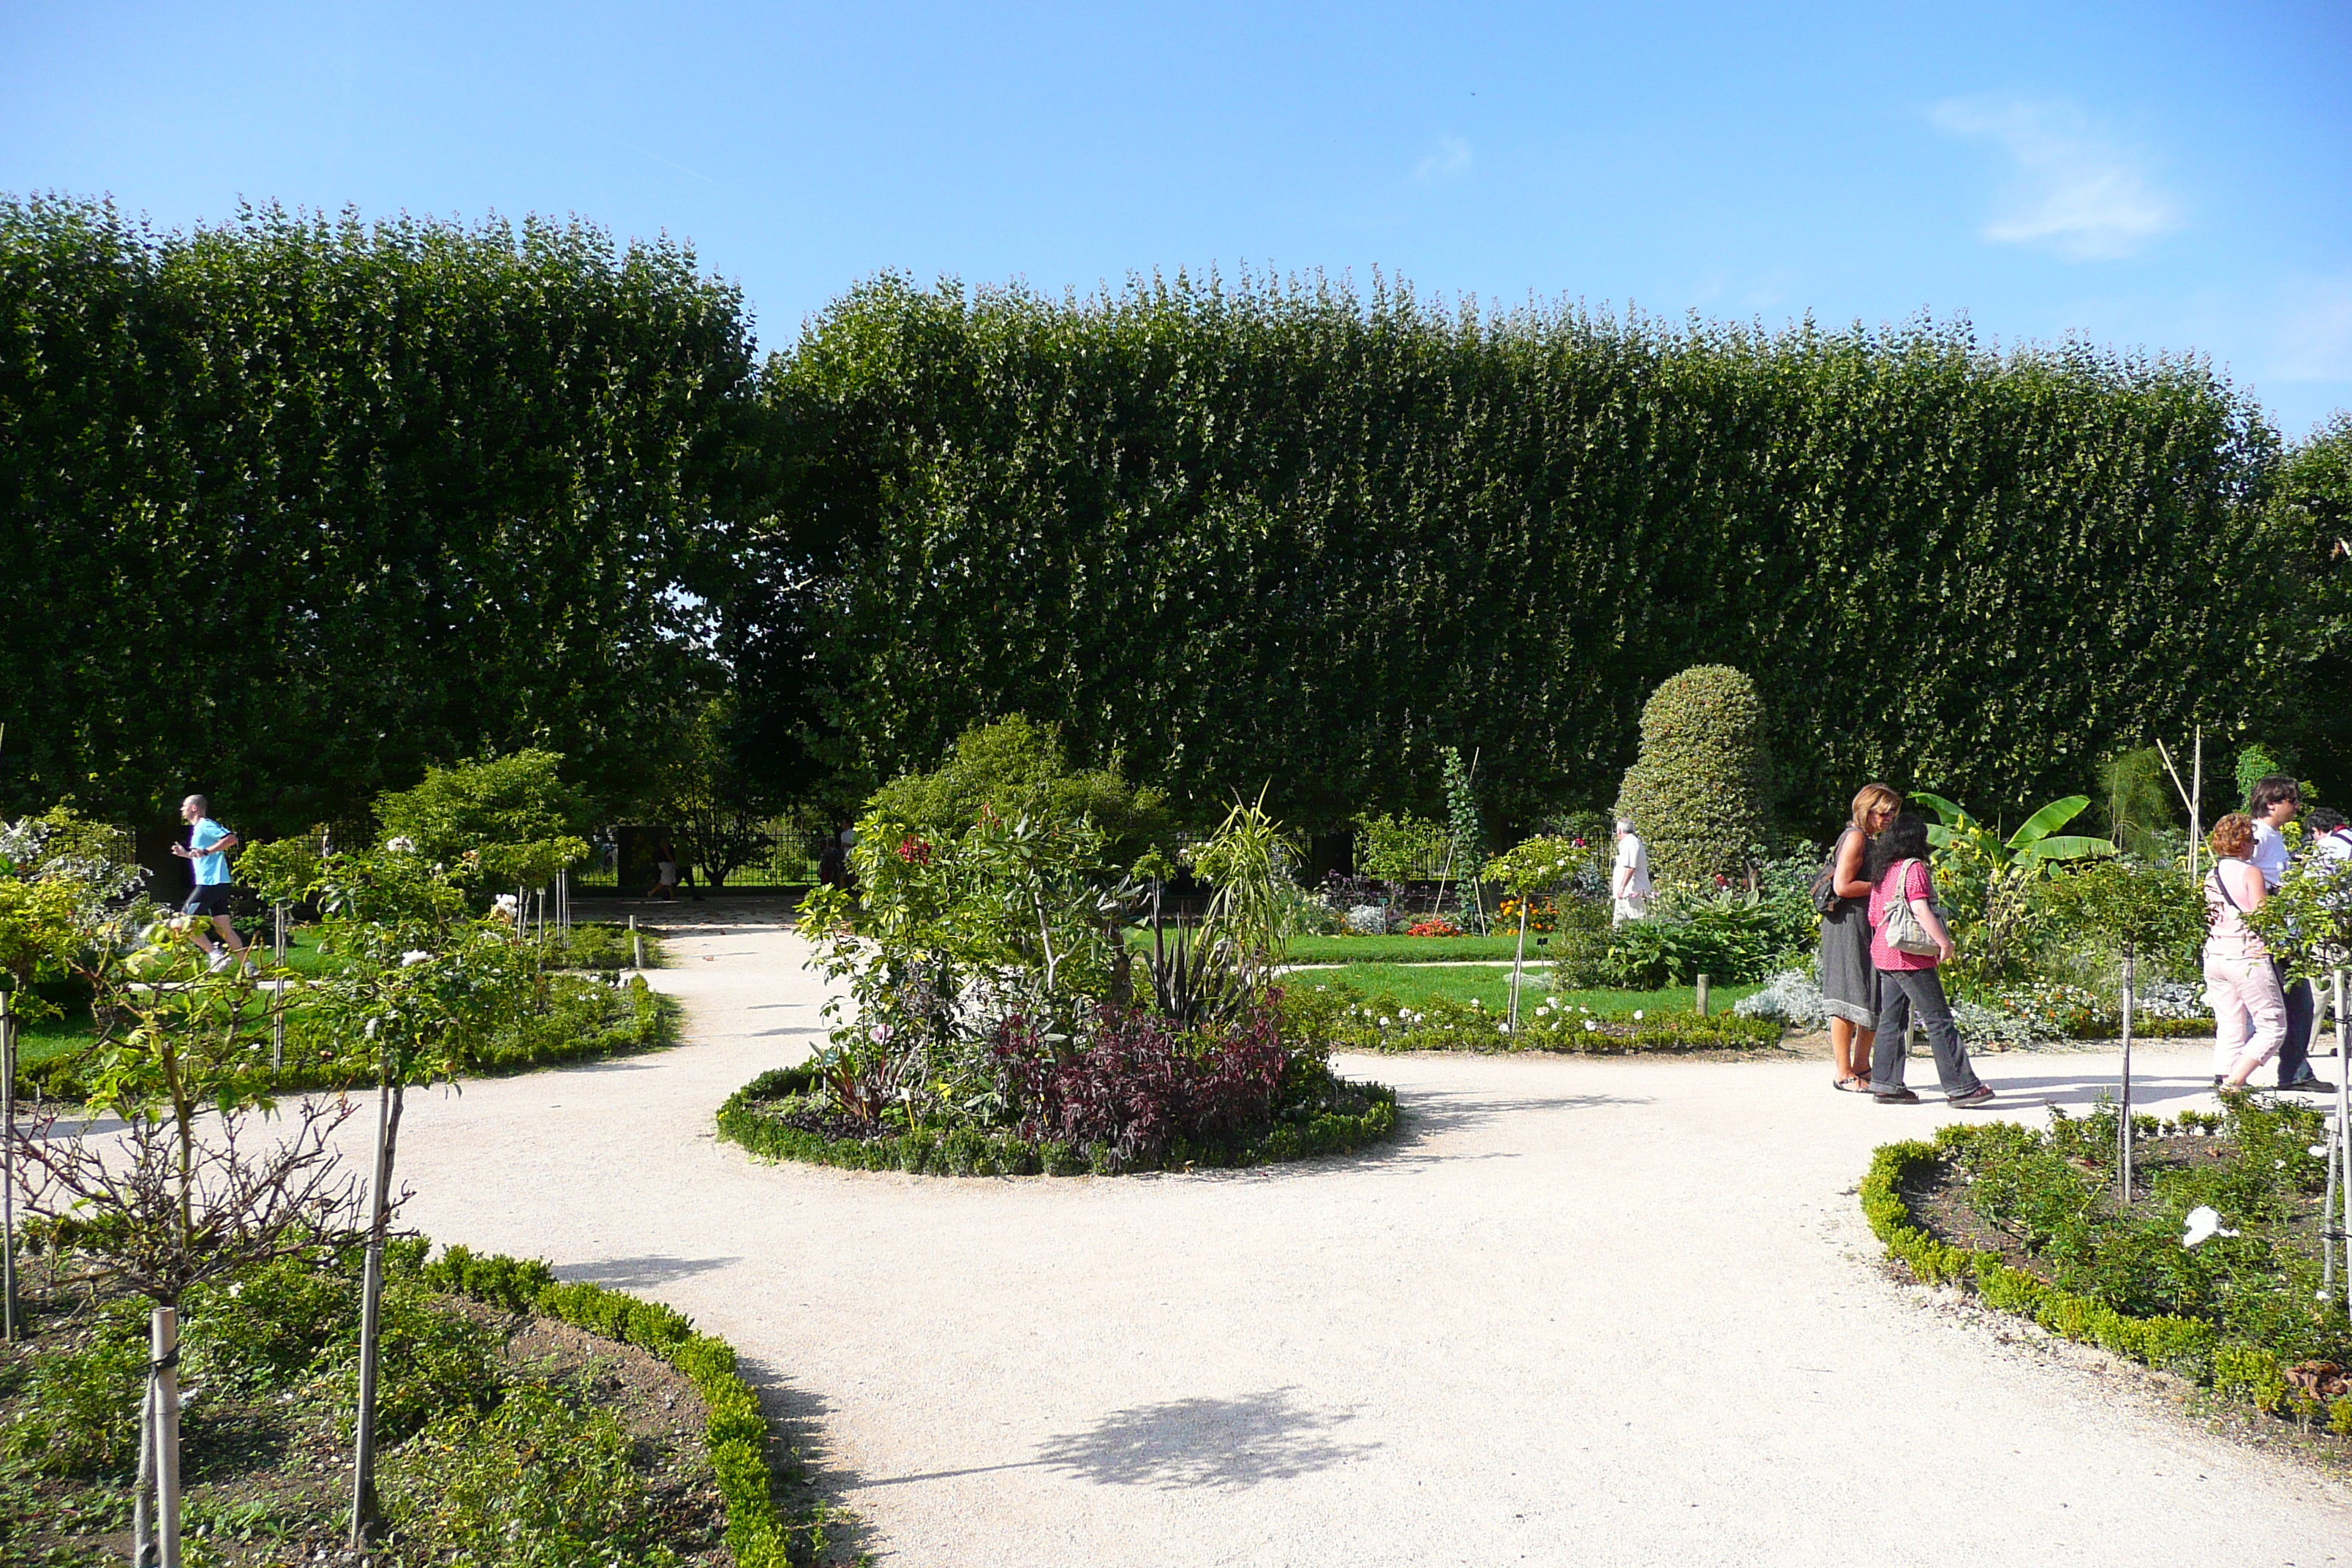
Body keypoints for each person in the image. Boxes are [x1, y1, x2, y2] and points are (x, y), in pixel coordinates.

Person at [1863, 812, 1993, 1107]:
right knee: (1939, 1021)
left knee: (1892, 1020)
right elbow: (1921, 910)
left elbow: (1874, 914)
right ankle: (1962, 1088)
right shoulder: (1914, 868)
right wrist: (1943, 943)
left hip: (1884, 951)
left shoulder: (1885, 869)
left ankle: (1886, 1084)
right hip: (1910, 956)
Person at [2247, 774, 2331, 1093]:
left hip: (2283, 930)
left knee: (2290, 1005)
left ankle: (2290, 1071)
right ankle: (2292, 1073)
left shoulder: (2272, 836)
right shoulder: (2261, 836)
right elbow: (2244, 876)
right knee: (2294, 1003)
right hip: (2274, 933)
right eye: (2291, 801)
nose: (2296, 807)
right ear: (2271, 804)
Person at [1822, 783, 1900, 1093]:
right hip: (1847, 922)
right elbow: (1842, 886)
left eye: (1893, 812)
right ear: (1866, 810)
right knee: (1849, 992)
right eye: (1884, 812)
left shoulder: (1868, 839)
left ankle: (1862, 1066)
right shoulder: (1856, 838)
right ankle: (1843, 1072)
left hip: (1865, 921)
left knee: (1871, 992)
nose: (1889, 818)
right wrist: (1882, 886)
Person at [2204, 813, 2288, 1090]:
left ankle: (2223, 1074)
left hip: (2215, 954)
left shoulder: (2211, 874)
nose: (2254, 846)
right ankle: (2235, 1082)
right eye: (2251, 840)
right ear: (2241, 843)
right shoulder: (2250, 872)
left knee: (2230, 1021)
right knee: (2272, 1026)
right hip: (2247, 955)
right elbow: (2263, 918)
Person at [171, 794, 251, 973]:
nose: (181, 810)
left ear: (194, 808)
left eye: (184, 806)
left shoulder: (205, 825)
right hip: (218, 883)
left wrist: (207, 851)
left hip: (210, 883)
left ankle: (216, 955)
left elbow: (231, 839)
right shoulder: (199, 829)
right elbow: (202, 855)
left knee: (182, 924)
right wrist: (185, 854)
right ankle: (249, 967)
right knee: (224, 928)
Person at [1610, 818, 1651, 924]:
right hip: (1625, 893)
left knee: (1638, 921)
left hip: (1632, 892)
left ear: (1619, 830)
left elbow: (1630, 867)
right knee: (1617, 923)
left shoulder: (1630, 843)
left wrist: (1622, 887)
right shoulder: (1629, 842)